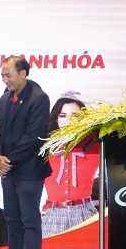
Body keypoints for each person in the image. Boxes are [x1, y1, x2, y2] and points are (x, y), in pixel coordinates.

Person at [0, 55, 52, 249]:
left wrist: (8, 161)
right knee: (12, 220)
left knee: (30, 222)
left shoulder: (39, 98)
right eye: (2, 75)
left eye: (8, 75)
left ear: (23, 73)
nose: (5, 80)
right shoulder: (4, 98)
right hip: (8, 170)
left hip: (29, 171)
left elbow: (34, 137)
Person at [41, 95, 99, 238]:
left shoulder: (94, 146)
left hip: (85, 213)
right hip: (53, 214)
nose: (68, 120)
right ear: (56, 118)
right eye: (63, 115)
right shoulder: (44, 148)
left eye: (75, 116)